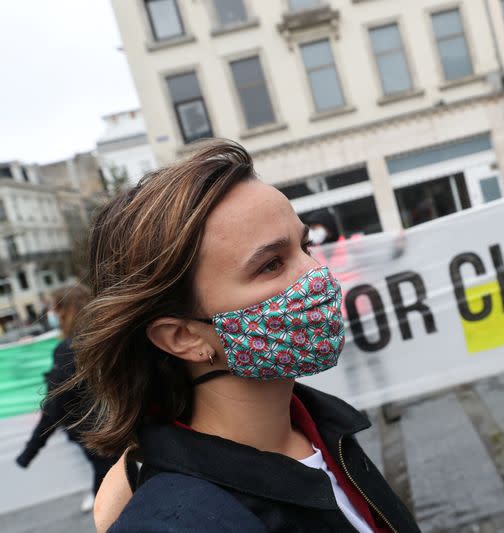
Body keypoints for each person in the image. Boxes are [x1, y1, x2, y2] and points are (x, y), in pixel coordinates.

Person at [68, 140, 419, 532]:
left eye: (305, 246)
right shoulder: (178, 523)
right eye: (271, 265)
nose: (317, 274)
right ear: (183, 337)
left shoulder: (323, 432)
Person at [15, 284, 118, 513]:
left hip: (94, 434)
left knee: (110, 502)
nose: (50, 313)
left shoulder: (68, 349)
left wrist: (30, 450)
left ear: (64, 310)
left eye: (53, 308)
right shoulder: (105, 338)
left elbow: (55, 403)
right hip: (114, 426)